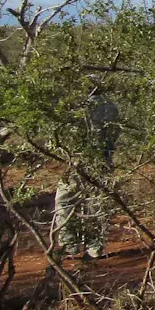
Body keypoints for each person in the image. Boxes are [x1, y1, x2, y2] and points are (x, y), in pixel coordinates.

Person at [52, 79, 121, 260]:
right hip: (102, 159)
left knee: (65, 200)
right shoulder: (111, 108)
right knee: (97, 202)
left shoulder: (76, 107)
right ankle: (94, 247)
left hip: (77, 159)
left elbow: (68, 135)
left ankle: (70, 245)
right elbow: (114, 135)